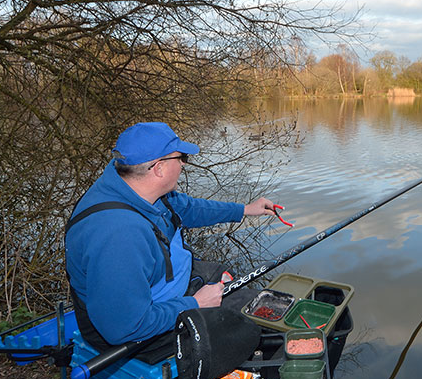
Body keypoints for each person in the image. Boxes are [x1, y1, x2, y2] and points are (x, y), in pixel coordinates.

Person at [65, 122, 274, 357]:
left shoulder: (133, 186)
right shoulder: (119, 237)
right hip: (135, 333)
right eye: (180, 157)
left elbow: (187, 208)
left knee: (227, 280)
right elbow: (124, 328)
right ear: (159, 168)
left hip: (161, 289)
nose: (184, 163)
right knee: (250, 320)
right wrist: (195, 304)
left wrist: (244, 210)